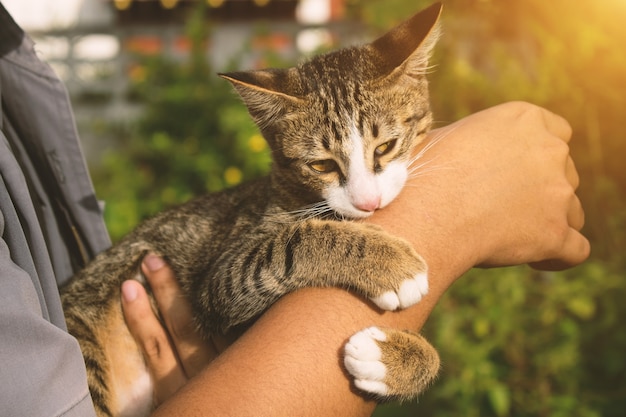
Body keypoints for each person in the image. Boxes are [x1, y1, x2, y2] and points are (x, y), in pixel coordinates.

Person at [0, 3, 589, 417]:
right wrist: (440, 215)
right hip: (94, 357)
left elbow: (319, 338)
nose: (366, 196)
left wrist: (410, 363)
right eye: (325, 167)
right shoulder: (288, 211)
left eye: (385, 151)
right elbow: (227, 291)